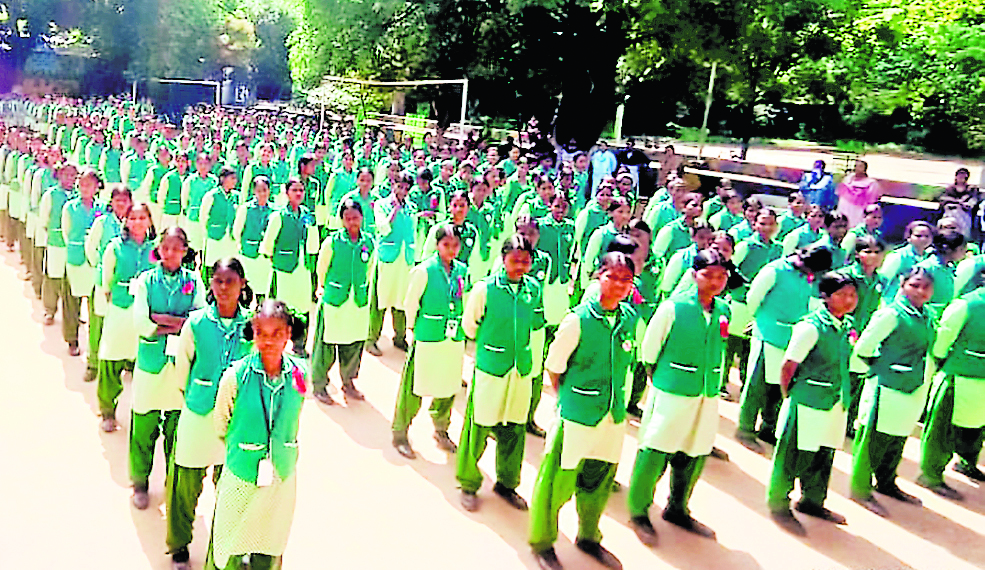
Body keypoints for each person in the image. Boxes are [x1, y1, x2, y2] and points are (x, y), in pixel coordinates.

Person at [529, 252, 636, 570]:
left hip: (612, 414)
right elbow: (554, 366)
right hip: (577, 414)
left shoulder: (629, 318)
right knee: (557, 481)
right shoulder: (578, 320)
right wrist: (570, 400)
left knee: (599, 479)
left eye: (625, 279)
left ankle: (589, 536)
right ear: (597, 276)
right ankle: (542, 541)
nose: (618, 285)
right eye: (611, 277)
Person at [627, 249, 730, 546]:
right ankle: (638, 510)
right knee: (656, 448)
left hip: (706, 391)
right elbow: (649, 350)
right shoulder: (673, 307)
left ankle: (678, 507)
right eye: (708, 275)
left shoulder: (723, 309)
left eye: (721, 276)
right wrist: (661, 379)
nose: (715, 282)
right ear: (694, 275)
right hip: (672, 390)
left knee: (695, 450)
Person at [205, 300, 308, 570]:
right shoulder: (236, 376)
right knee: (227, 544)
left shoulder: (300, 374)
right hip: (242, 473)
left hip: (280, 475)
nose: (268, 341)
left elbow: (295, 416)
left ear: (288, 334)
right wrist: (245, 445)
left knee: (270, 542)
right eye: (261, 333)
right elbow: (221, 423)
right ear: (253, 332)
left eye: (277, 333)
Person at [167, 258, 253, 570]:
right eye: (218, 281)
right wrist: (195, 396)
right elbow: (182, 368)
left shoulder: (252, 325)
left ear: (243, 285)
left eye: (231, 281)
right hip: (199, 413)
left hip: (235, 420)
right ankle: (179, 544)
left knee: (233, 488)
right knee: (185, 482)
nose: (224, 288)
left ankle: (228, 548)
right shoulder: (196, 323)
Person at [456, 234, 543, 512]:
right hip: (492, 367)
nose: (520, 266)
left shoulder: (533, 289)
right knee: (479, 425)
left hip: (520, 369)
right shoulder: (485, 289)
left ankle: (507, 483)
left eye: (525, 261)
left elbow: (536, 322)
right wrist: (491, 346)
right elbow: (470, 325)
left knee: (514, 427)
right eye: (514, 260)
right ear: (503, 259)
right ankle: (468, 482)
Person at [767, 272, 858, 536]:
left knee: (824, 453)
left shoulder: (846, 324)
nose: (849, 300)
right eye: (841, 294)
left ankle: (813, 500)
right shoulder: (810, 327)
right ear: (825, 296)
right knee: (793, 453)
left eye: (852, 295)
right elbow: (788, 366)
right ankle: (778, 503)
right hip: (808, 400)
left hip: (835, 399)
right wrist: (790, 395)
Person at [130, 227, 206, 510]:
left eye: (177, 248)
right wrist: (177, 323)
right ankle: (140, 482)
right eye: (166, 247)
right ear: (158, 249)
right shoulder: (146, 281)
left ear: (185, 251)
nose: (170, 253)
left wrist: (161, 319)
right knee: (143, 425)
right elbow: (141, 322)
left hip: (179, 365)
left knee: (176, 428)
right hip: (151, 363)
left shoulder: (194, 281)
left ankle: (172, 482)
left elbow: (199, 321)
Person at [850, 267, 935, 517]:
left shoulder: (928, 315)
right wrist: (884, 368)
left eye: (926, 287)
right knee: (873, 438)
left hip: (913, 386)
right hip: (886, 386)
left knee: (897, 437)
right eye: (915, 285)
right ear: (902, 284)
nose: (920, 291)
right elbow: (863, 348)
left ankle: (886, 482)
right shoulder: (890, 314)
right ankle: (860, 488)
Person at [735, 244, 833, 452]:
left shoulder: (806, 277)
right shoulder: (774, 270)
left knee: (779, 388)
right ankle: (745, 429)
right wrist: (758, 321)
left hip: (791, 339)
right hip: (768, 335)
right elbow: (753, 298)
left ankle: (768, 428)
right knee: (756, 385)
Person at [391, 223, 468, 459]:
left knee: (449, 384)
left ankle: (441, 428)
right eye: (446, 244)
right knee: (414, 385)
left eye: (456, 245)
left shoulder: (462, 270)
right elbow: (411, 303)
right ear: (437, 245)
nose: (451, 249)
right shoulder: (424, 270)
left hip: (452, 337)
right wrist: (412, 329)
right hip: (428, 336)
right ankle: (400, 433)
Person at [919, 280, 985, 496]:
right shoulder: (966, 305)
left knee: (977, 428)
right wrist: (941, 360)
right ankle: (931, 474)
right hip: (958, 377)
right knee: (942, 428)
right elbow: (943, 339)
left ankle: (967, 462)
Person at [97, 202, 157, 433]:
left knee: (144, 362)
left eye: (142, 218)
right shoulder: (115, 247)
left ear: (149, 220)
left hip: (146, 313)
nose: (138, 223)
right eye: (133, 218)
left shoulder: (156, 248)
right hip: (121, 310)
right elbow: (106, 280)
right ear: (125, 221)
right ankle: (107, 410)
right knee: (111, 357)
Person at [311, 197, 376, 405]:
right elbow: (322, 267)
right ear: (341, 220)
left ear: (362, 218)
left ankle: (348, 382)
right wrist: (322, 288)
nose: (352, 222)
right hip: (335, 299)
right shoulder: (332, 242)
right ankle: (319, 384)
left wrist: (363, 289)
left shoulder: (369, 242)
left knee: (354, 343)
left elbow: (370, 269)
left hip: (357, 300)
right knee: (326, 344)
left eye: (355, 218)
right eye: (347, 218)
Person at [259, 178, 319, 356]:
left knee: (302, 307)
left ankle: (299, 344)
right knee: (282, 308)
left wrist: (312, 227)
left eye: (301, 190)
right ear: (286, 193)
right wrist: (278, 261)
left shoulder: (307, 215)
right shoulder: (279, 216)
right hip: (284, 270)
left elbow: (314, 246)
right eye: (294, 190)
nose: (299, 194)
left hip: (303, 268)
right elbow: (268, 245)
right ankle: (277, 344)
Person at [840, 235, 888, 435]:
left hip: (867, 336)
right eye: (867, 251)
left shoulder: (881, 280)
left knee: (858, 380)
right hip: (844, 332)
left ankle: (848, 421)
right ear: (857, 254)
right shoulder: (846, 276)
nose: (873, 256)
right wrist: (850, 329)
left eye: (877, 252)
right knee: (840, 377)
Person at [84, 185, 132, 383]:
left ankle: (127, 361)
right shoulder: (102, 222)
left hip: (126, 283)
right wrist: (100, 266)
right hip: (104, 280)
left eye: (125, 200)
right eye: (117, 200)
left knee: (125, 322)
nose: (121, 204)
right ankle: (93, 363)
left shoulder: (133, 223)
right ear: (111, 202)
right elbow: (90, 247)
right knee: (98, 322)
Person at [39, 162, 79, 349]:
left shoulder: (79, 196)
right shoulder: (51, 195)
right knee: (53, 277)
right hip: (56, 242)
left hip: (73, 247)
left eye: (73, 175)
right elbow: (44, 218)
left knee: (70, 282)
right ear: (59, 175)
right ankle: (50, 309)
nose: (69, 179)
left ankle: (72, 318)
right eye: (66, 175)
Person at [231, 176, 274, 299]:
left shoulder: (274, 210)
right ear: (254, 191)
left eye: (265, 190)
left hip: (265, 256)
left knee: (263, 285)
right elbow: (237, 231)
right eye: (259, 190)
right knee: (248, 283)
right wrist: (242, 245)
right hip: (248, 253)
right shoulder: (246, 208)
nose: (262, 194)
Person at [879, 220, 934, 302]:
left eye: (927, 236)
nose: (923, 239)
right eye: (918, 236)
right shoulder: (899, 256)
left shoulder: (930, 257)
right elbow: (884, 279)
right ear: (909, 237)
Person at [915, 231, 967, 315]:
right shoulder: (927, 268)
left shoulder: (950, 267)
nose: (965, 252)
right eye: (961, 249)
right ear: (948, 249)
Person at [200, 167, 240, 274]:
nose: (235, 181)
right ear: (223, 179)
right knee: (213, 264)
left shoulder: (237, 196)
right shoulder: (212, 196)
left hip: (230, 237)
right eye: (232, 178)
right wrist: (208, 232)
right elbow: (203, 217)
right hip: (215, 236)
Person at [937, 168, 978, 239]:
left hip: (964, 213)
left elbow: (973, 201)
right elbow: (944, 199)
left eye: (964, 175)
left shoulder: (972, 189)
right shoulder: (950, 188)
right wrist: (958, 202)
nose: (961, 177)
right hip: (950, 212)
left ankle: (963, 237)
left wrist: (963, 204)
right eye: (960, 175)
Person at [837, 160, 880, 227]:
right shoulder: (848, 179)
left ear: (865, 169)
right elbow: (840, 192)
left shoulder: (871, 183)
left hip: (858, 210)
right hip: (843, 207)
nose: (856, 168)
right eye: (855, 166)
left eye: (860, 166)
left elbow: (871, 200)